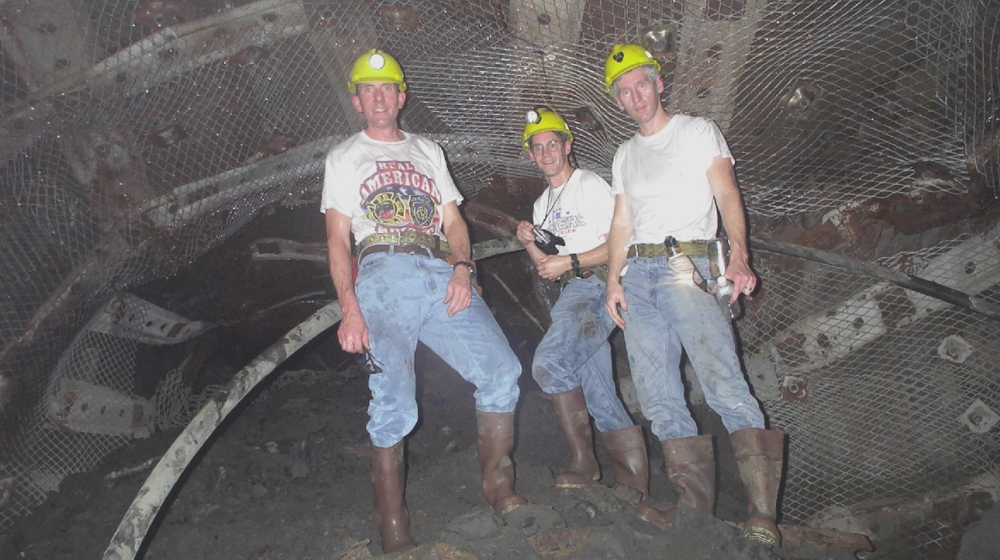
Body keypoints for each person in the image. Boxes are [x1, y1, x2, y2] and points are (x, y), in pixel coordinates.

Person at [321, 48, 526, 554]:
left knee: (501, 371)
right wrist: (349, 307)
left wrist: (464, 267)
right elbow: (336, 241)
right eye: (368, 90)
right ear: (356, 100)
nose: (378, 97)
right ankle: (393, 526)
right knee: (394, 397)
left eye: (386, 88)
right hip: (382, 275)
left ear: (401, 96)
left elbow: (454, 221)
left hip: (441, 271)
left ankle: (500, 491)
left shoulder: (428, 150)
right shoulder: (344, 157)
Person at [601, 43, 786, 547]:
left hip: (689, 264)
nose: (635, 96)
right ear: (618, 102)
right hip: (638, 274)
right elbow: (621, 221)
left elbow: (727, 193)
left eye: (641, 84)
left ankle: (762, 514)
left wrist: (740, 256)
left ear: (659, 83)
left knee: (724, 383)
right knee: (659, 396)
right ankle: (694, 510)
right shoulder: (624, 154)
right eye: (624, 91)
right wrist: (613, 280)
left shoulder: (697, 131)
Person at [514, 108, 667, 525]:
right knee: (600, 394)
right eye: (538, 147)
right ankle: (636, 495)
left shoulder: (589, 184)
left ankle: (584, 462)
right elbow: (549, 266)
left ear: (567, 146)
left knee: (550, 363)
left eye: (552, 144)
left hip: (597, 284)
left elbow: (620, 239)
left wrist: (573, 262)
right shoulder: (543, 202)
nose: (546, 153)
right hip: (571, 292)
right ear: (531, 155)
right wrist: (528, 242)